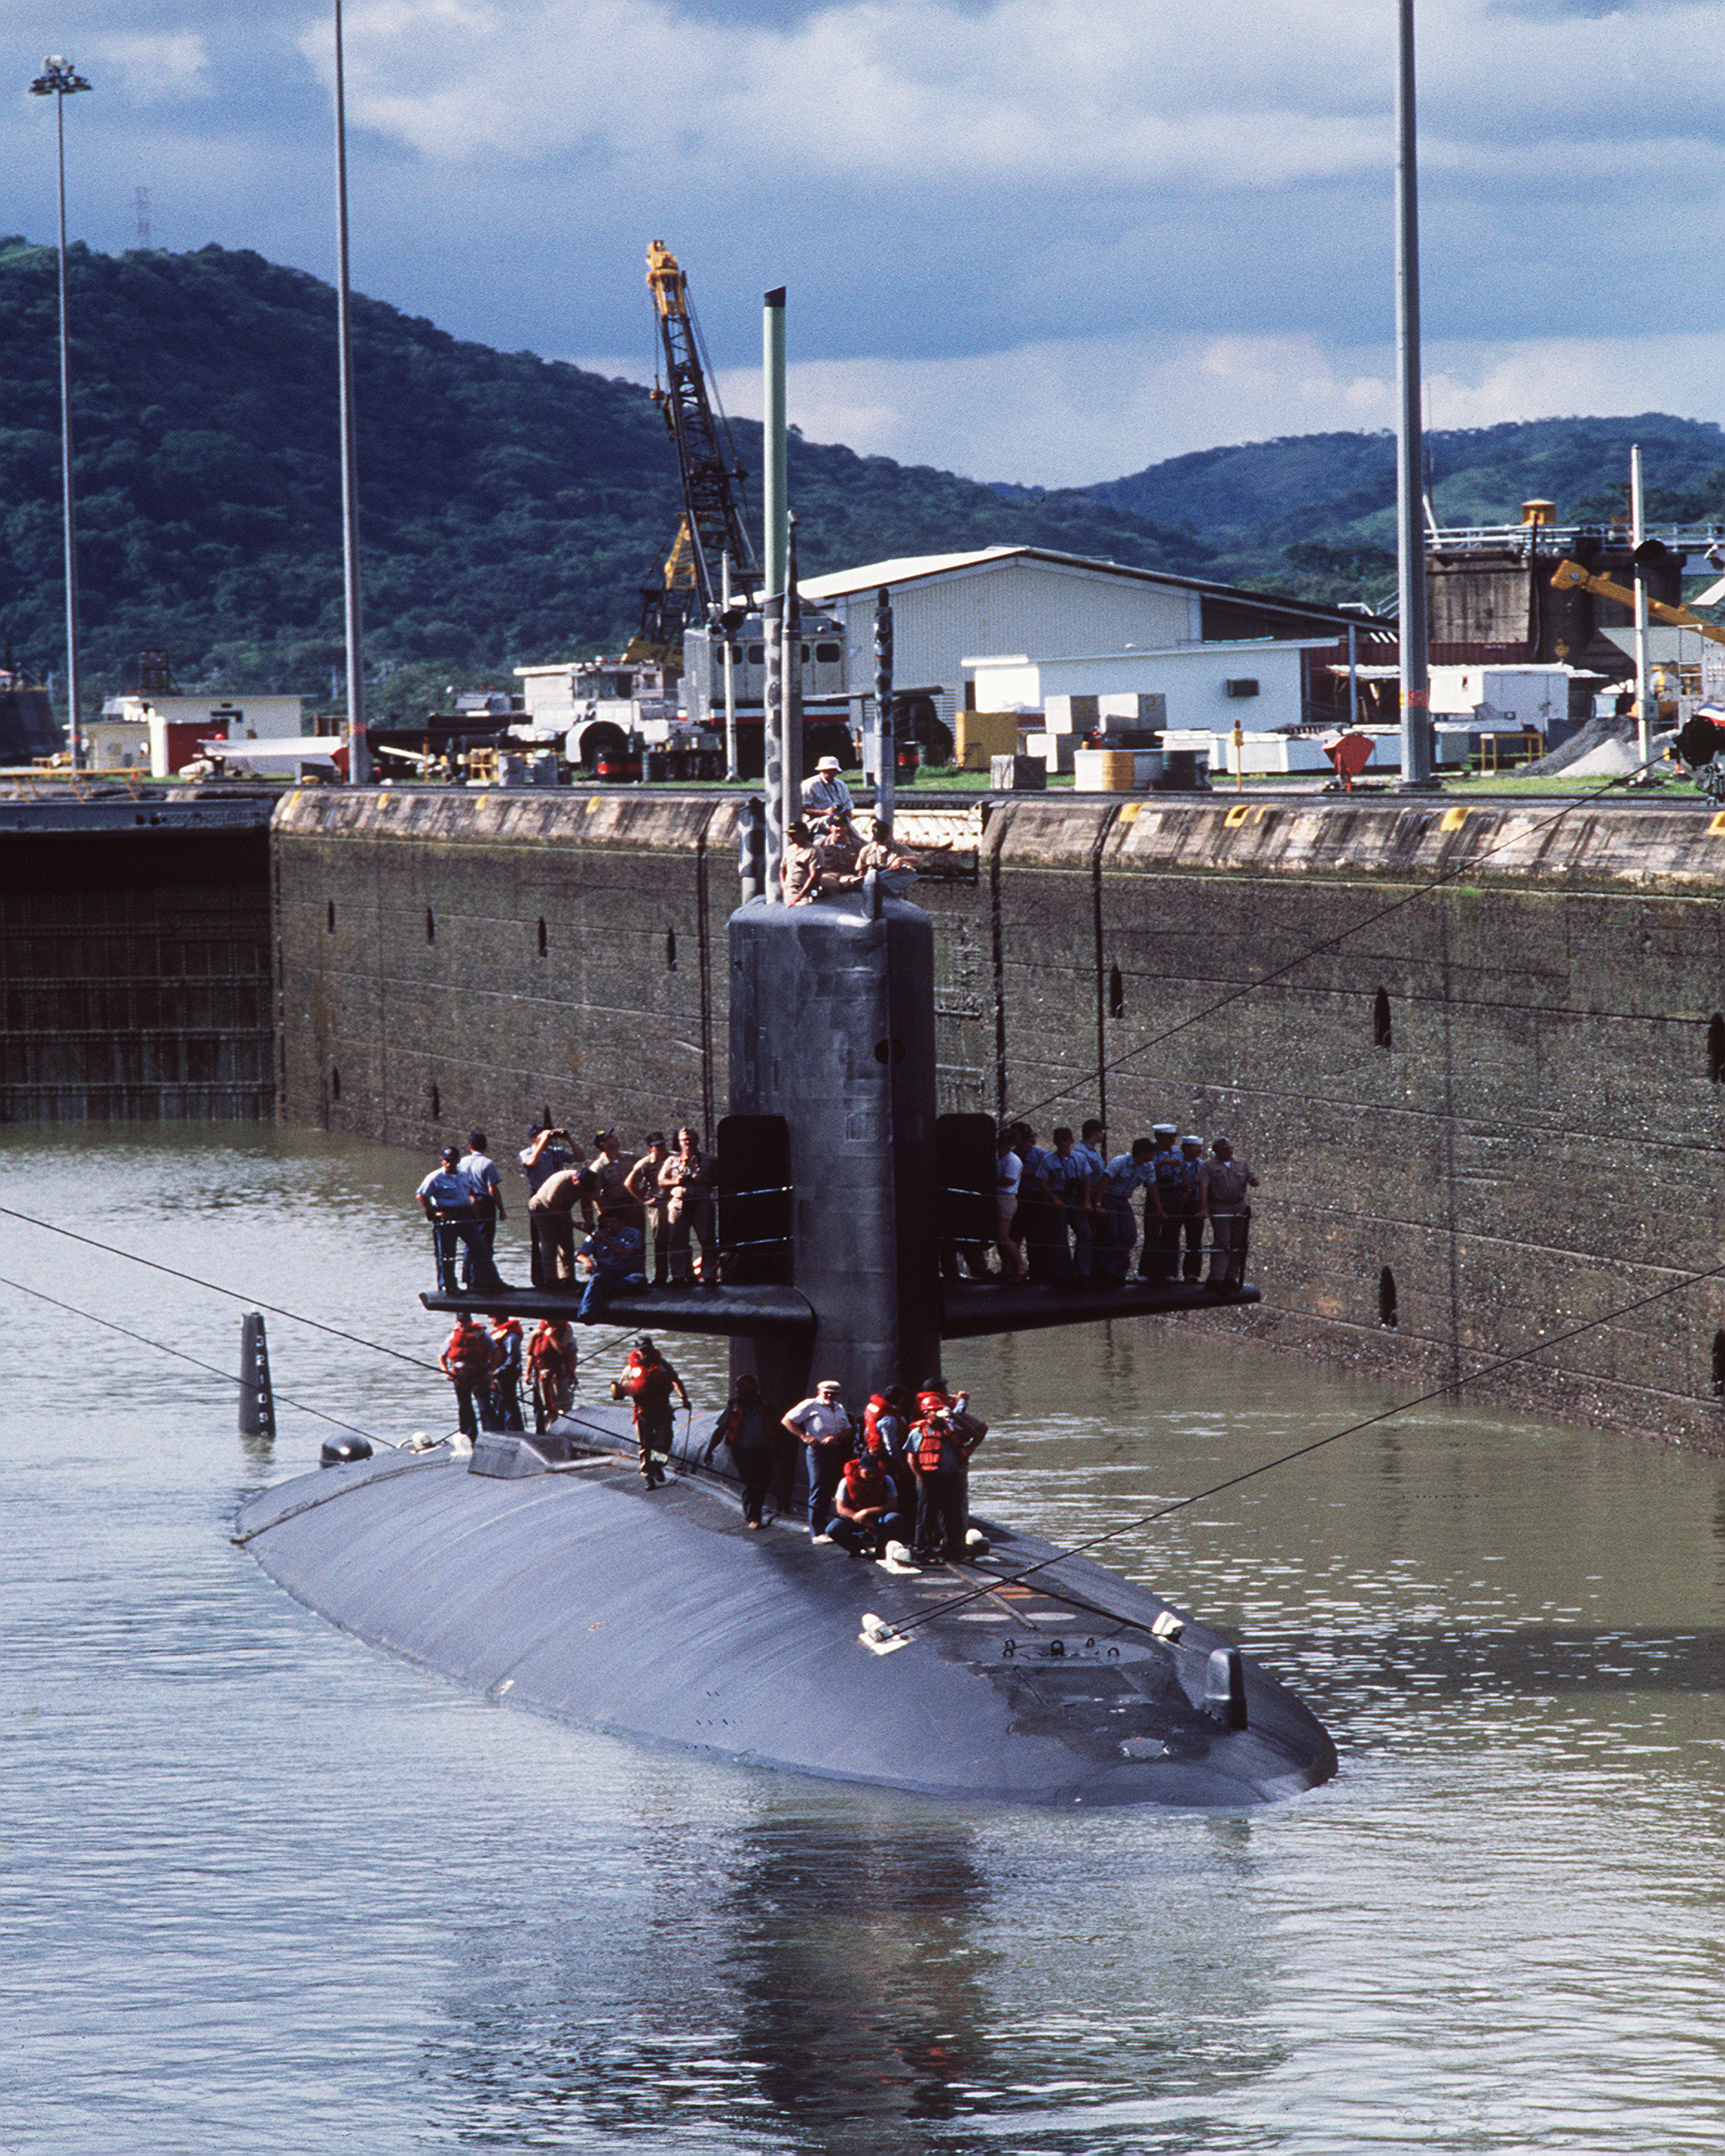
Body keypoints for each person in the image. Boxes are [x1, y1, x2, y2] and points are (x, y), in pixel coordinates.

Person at [908, 1378, 985, 1562]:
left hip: (951, 1477)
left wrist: (956, 1417)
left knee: (952, 1515)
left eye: (941, 1410)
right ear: (927, 1413)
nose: (940, 1414)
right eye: (935, 1412)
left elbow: (976, 1434)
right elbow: (911, 1457)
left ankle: (953, 1548)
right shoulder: (918, 1432)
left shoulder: (951, 1427)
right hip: (930, 1478)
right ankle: (922, 1551)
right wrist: (920, 1477)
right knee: (927, 1516)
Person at [417, 1144, 500, 1294]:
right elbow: (422, 1196)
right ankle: (449, 1285)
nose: (449, 1163)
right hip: (448, 1218)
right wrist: (436, 1212)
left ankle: (492, 1281)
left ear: (458, 1161)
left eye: (452, 1160)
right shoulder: (435, 1177)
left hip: (466, 1216)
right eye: (446, 1160)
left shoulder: (463, 1174)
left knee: (481, 1248)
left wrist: (474, 1202)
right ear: (442, 1161)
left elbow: (471, 1190)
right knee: (448, 1254)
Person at [702, 1371, 780, 1527]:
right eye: (744, 1393)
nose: (748, 1396)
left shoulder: (764, 1406)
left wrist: (778, 1447)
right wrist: (710, 1450)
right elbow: (721, 1430)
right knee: (749, 1482)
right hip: (742, 1451)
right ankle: (752, 1518)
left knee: (762, 1481)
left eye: (750, 1392)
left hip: (763, 1450)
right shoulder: (734, 1408)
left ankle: (756, 1511)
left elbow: (775, 1427)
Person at [781, 1378, 855, 1540]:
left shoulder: (839, 1408)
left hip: (834, 1451)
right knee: (818, 1489)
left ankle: (827, 1525)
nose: (829, 1395)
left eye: (833, 1393)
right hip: (817, 1452)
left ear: (837, 1395)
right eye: (826, 1392)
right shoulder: (810, 1405)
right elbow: (787, 1420)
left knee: (830, 1489)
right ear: (819, 1391)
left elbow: (849, 1431)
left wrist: (836, 1437)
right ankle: (817, 1532)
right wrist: (804, 1437)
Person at [610, 1335, 689, 1488]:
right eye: (641, 1351)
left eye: (647, 1350)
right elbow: (620, 1388)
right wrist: (619, 1391)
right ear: (637, 1351)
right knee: (645, 1445)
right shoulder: (630, 1369)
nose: (644, 1354)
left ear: (652, 1349)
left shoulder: (663, 1366)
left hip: (663, 1411)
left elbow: (676, 1381)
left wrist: (684, 1399)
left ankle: (657, 1465)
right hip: (643, 1413)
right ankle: (649, 1476)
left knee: (663, 1442)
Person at [520, 1127, 584, 1286]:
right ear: (534, 1138)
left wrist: (569, 1139)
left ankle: (567, 1277)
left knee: (565, 1239)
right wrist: (542, 1142)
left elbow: (580, 1158)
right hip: (539, 1199)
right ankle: (544, 1278)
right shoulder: (527, 1152)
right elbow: (531, 1162)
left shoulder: (556, 1151)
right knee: (544, 1241)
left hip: (560, 1197)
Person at [658, 1125, 715, 1284]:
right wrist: (676, 1181)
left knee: (707, 1239)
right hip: (679, 1203)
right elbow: (661, 1180)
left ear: (697, 1140)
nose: (688, 1142)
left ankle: (709, 1275)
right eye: (684, 1140)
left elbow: (720, 1179)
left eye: (691, 1139)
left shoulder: (709, 1160)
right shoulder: (672, 1160)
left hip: (702, 1202)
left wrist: (704, 1180)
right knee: (677, 1241)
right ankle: (678, 1276)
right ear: (680, 1142)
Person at [826, 1451, 909, 1559]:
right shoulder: (845, 1482)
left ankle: (881, 1549)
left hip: (878, 1515)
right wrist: (863, 1520)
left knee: (895, 1518)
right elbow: (841, 1508)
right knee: (833, 1529)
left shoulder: (886, 1479)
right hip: (855, 1516)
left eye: (874, 1472)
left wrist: (866, 1512)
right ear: (860, 1469)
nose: (871, 1475)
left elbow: (892, 1505)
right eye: (867, 1472)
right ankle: (857, 1547)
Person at [1202, 1137, 1259, 1293]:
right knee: (1223, 1241)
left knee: (1238, 1242)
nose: (1229, 1152)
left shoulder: (1241, 1163)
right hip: (1220, 1205)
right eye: (1225, 1150)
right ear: (1216, 1151)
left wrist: (1254, 1180)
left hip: (1239, 1205)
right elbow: (1203, 1186)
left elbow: (1252, 1177)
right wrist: (1205, 1206)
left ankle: (1230, 1276)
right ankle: (1216, 1277)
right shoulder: (1208, 1166)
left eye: (1230, 1148)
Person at [1097, 1137, 1156, 1283]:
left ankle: (1118, 1269)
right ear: (1142, 1153)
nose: (1153, 1155)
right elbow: (1103, 1182)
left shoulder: (1148, 1167)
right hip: (1109, 1198)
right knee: (1111, 1232)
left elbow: (1153, 1187)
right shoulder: (1120, 1162)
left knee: (1129, 1236)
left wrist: (1159, 1209)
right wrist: (1098, 1204)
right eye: (1151, 1152)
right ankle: (1105, 1271)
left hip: (1123, 1200)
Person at [574, 1210, 648, 1322]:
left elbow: (625, 1255)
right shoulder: (595, 1235)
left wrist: (605, 1241)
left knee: (639, 1280)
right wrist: (586, 1261)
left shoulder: (633, 1233)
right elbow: (579, 1255)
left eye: (613, 1222)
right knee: (597, 1278)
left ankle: (599, 1290)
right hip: (606, 1272)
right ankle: (587, 1313)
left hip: (627, 1271)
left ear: (622, 1222)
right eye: (608, 1222)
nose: (610, 1225)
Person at [527, 1158, 591, 1286]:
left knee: (567, 1243)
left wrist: (589, 1222)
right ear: (575, 1180)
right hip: (542, 1208)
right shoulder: (561, 1181)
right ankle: (550, 1279)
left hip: (563, 1208)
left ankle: (568, 1278)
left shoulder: (587, 1182)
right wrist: (574, 1224)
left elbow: (586, 1203)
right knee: (549, 1242)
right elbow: (552, 1207)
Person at [460, 1130, 507, 1291]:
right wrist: (501, 1208)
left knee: (470, 1239)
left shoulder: (462, 1163)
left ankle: (468, 1277)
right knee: (485, 1241)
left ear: (470, 1146)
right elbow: (492, 1188)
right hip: (484, 1202)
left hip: (467, 1202)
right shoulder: (488, 1164)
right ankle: (483, 1278)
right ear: (485, 1146)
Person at [625, 1131, 673, 1284]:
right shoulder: (645, 1163)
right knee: (660, 1241)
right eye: (657, 1146)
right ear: (649, 1148)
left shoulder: (675, 1158)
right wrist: (643, 1199)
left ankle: (682, 1275)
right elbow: (629, 1183)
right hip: (658, 1204)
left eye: (663, 1144)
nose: (662, 1148)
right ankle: (661, 1277)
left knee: (679, 1239)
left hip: (675, 1202)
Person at [438, 1309, 492, 1441]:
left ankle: (490, 1435)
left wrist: (490, 1372)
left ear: (471, 1321)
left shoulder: (481, 1335)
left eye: (466, 1321)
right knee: (464, 1407)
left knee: (484, 1405)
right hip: (460, 1376)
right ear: (457, 1322)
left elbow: (495, 1352)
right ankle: (469, 1436)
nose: (463, 1324)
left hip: (479, 1374)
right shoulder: (452, 1336)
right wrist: (445, 1371)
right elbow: (441, 1356)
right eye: (461, 1321)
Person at [1138, 1124, 1182, 1283]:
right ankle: (1148, 1272)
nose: (1173, 1140)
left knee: (1172, 1234)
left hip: (1173, 1193)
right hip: (1156, 1191)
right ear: (1159, 1138)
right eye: (1169, 1137)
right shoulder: (1151, 1152)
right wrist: (1162, 1163)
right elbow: (1146, 1171)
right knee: (1152, 1233)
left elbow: (1182, 1172)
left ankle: (1170, 1272)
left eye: (1174, 1137)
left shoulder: (1178, 1153)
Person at [526, 1317, 577, 1432]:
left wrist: (551, 1336)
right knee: (547, 1406)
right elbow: (531, 1353)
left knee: (563, 1405)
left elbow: (561, 1350)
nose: (548, 1321)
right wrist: (527, 1373)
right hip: (543, 1374)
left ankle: (566, 1430)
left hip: (559, 1374)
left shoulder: (565, 1331)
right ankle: (549, 1430)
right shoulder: (539, 1331)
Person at [584, 1130, 637, 1235]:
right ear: (603, 1145)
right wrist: (605, 1215)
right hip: (614, 1211)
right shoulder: (598, 1167)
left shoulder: (630, 1158)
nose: (616, 1138)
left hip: (634, 1207)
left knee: (638, 1239)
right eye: (611, 1138)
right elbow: (596, 1195)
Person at [994, 1128, 1026, 1281]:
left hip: (1007, 1198)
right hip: (996, 1196)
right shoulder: (998, 1158)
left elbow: (1010, 1180)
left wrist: (989, 1178)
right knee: (999, 1236)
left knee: (1004, 1236)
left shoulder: (1013, 1160)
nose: (1003, 1148)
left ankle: (1021, 1266)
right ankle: (1006, 1268)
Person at [1175, 1135, 1208, 1283]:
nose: (1200, 1150)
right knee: (1172, 1237)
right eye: (1197, 1147)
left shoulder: (1202, 1165)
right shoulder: (1177, 1162)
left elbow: (1203, 1186)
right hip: (1177, 1202)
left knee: (1195, 1238)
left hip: (1194, 1204)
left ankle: (1192, 1272)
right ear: (1187, 1148)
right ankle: (1170, 1272)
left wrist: (1203, 1206)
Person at [800, 754, 858, 837]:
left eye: (833, 770)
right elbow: (803, 808)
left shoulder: (841, 784)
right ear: (821, 770)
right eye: (826, 770)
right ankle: (861, 842)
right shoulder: (809, 784)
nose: (830, 773)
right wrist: (825, 812)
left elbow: (848, 808)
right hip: (817, 821)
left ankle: (858, 842)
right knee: (835, 822)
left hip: (840, 819)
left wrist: (846, 815)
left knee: (843, 823)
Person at [486, 1312, 525, 1432]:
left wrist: (499, 1371)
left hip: (506, 1374)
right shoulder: (500, 1333)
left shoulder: (511, 1335)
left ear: (496, 1318)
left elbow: (514, 1357)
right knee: (500, 1405)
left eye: (492, 1317)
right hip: (497, 1376)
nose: (491, 1320)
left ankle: (516, 1432)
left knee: (509, 1405)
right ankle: (504, 1431)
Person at [781, 819, 822, 906]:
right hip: (789, 891)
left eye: (794, 834)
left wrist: (800, 896)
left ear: (804, 834)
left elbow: (814, 876)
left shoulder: (814, 851)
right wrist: (783, 885)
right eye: (789, 834)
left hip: (804, 893)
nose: (791, 837)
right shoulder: (789, 850)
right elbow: (782, 869)